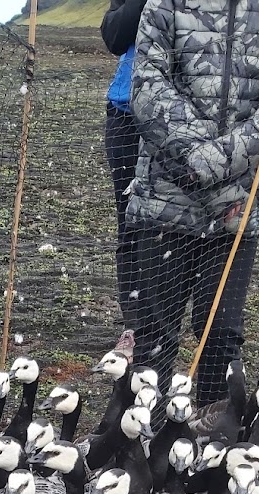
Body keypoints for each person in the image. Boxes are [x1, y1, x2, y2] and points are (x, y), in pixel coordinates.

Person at [126, 0, 259, 406]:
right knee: (155, 334)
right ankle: (144, 448)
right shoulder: (165, 3)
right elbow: (147, 86)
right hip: (168, 198)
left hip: (238, 207)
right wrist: (207, 169)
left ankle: (214, 440)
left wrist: (216, 163)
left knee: (222, 335)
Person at [101, 0, 149, 349]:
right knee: (131, 222)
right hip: (126, 114)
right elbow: (114, 35)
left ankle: (165, 324)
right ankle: (135, 325)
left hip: (191, 116)